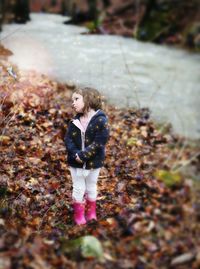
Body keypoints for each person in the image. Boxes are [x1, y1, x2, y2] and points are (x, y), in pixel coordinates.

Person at [64, 87, 110, 225]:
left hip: (93, 162)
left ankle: (91, 212)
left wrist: (84, 155)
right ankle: (79, 215)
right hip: (75, 162)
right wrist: (75, 154)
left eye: (76, 99)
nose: (73, 103)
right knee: (78, 187)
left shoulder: (101, 121)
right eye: (73, 100)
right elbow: (68, 140)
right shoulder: (74, 122)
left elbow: (100, 142)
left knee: (91, 186)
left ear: (88, 100)